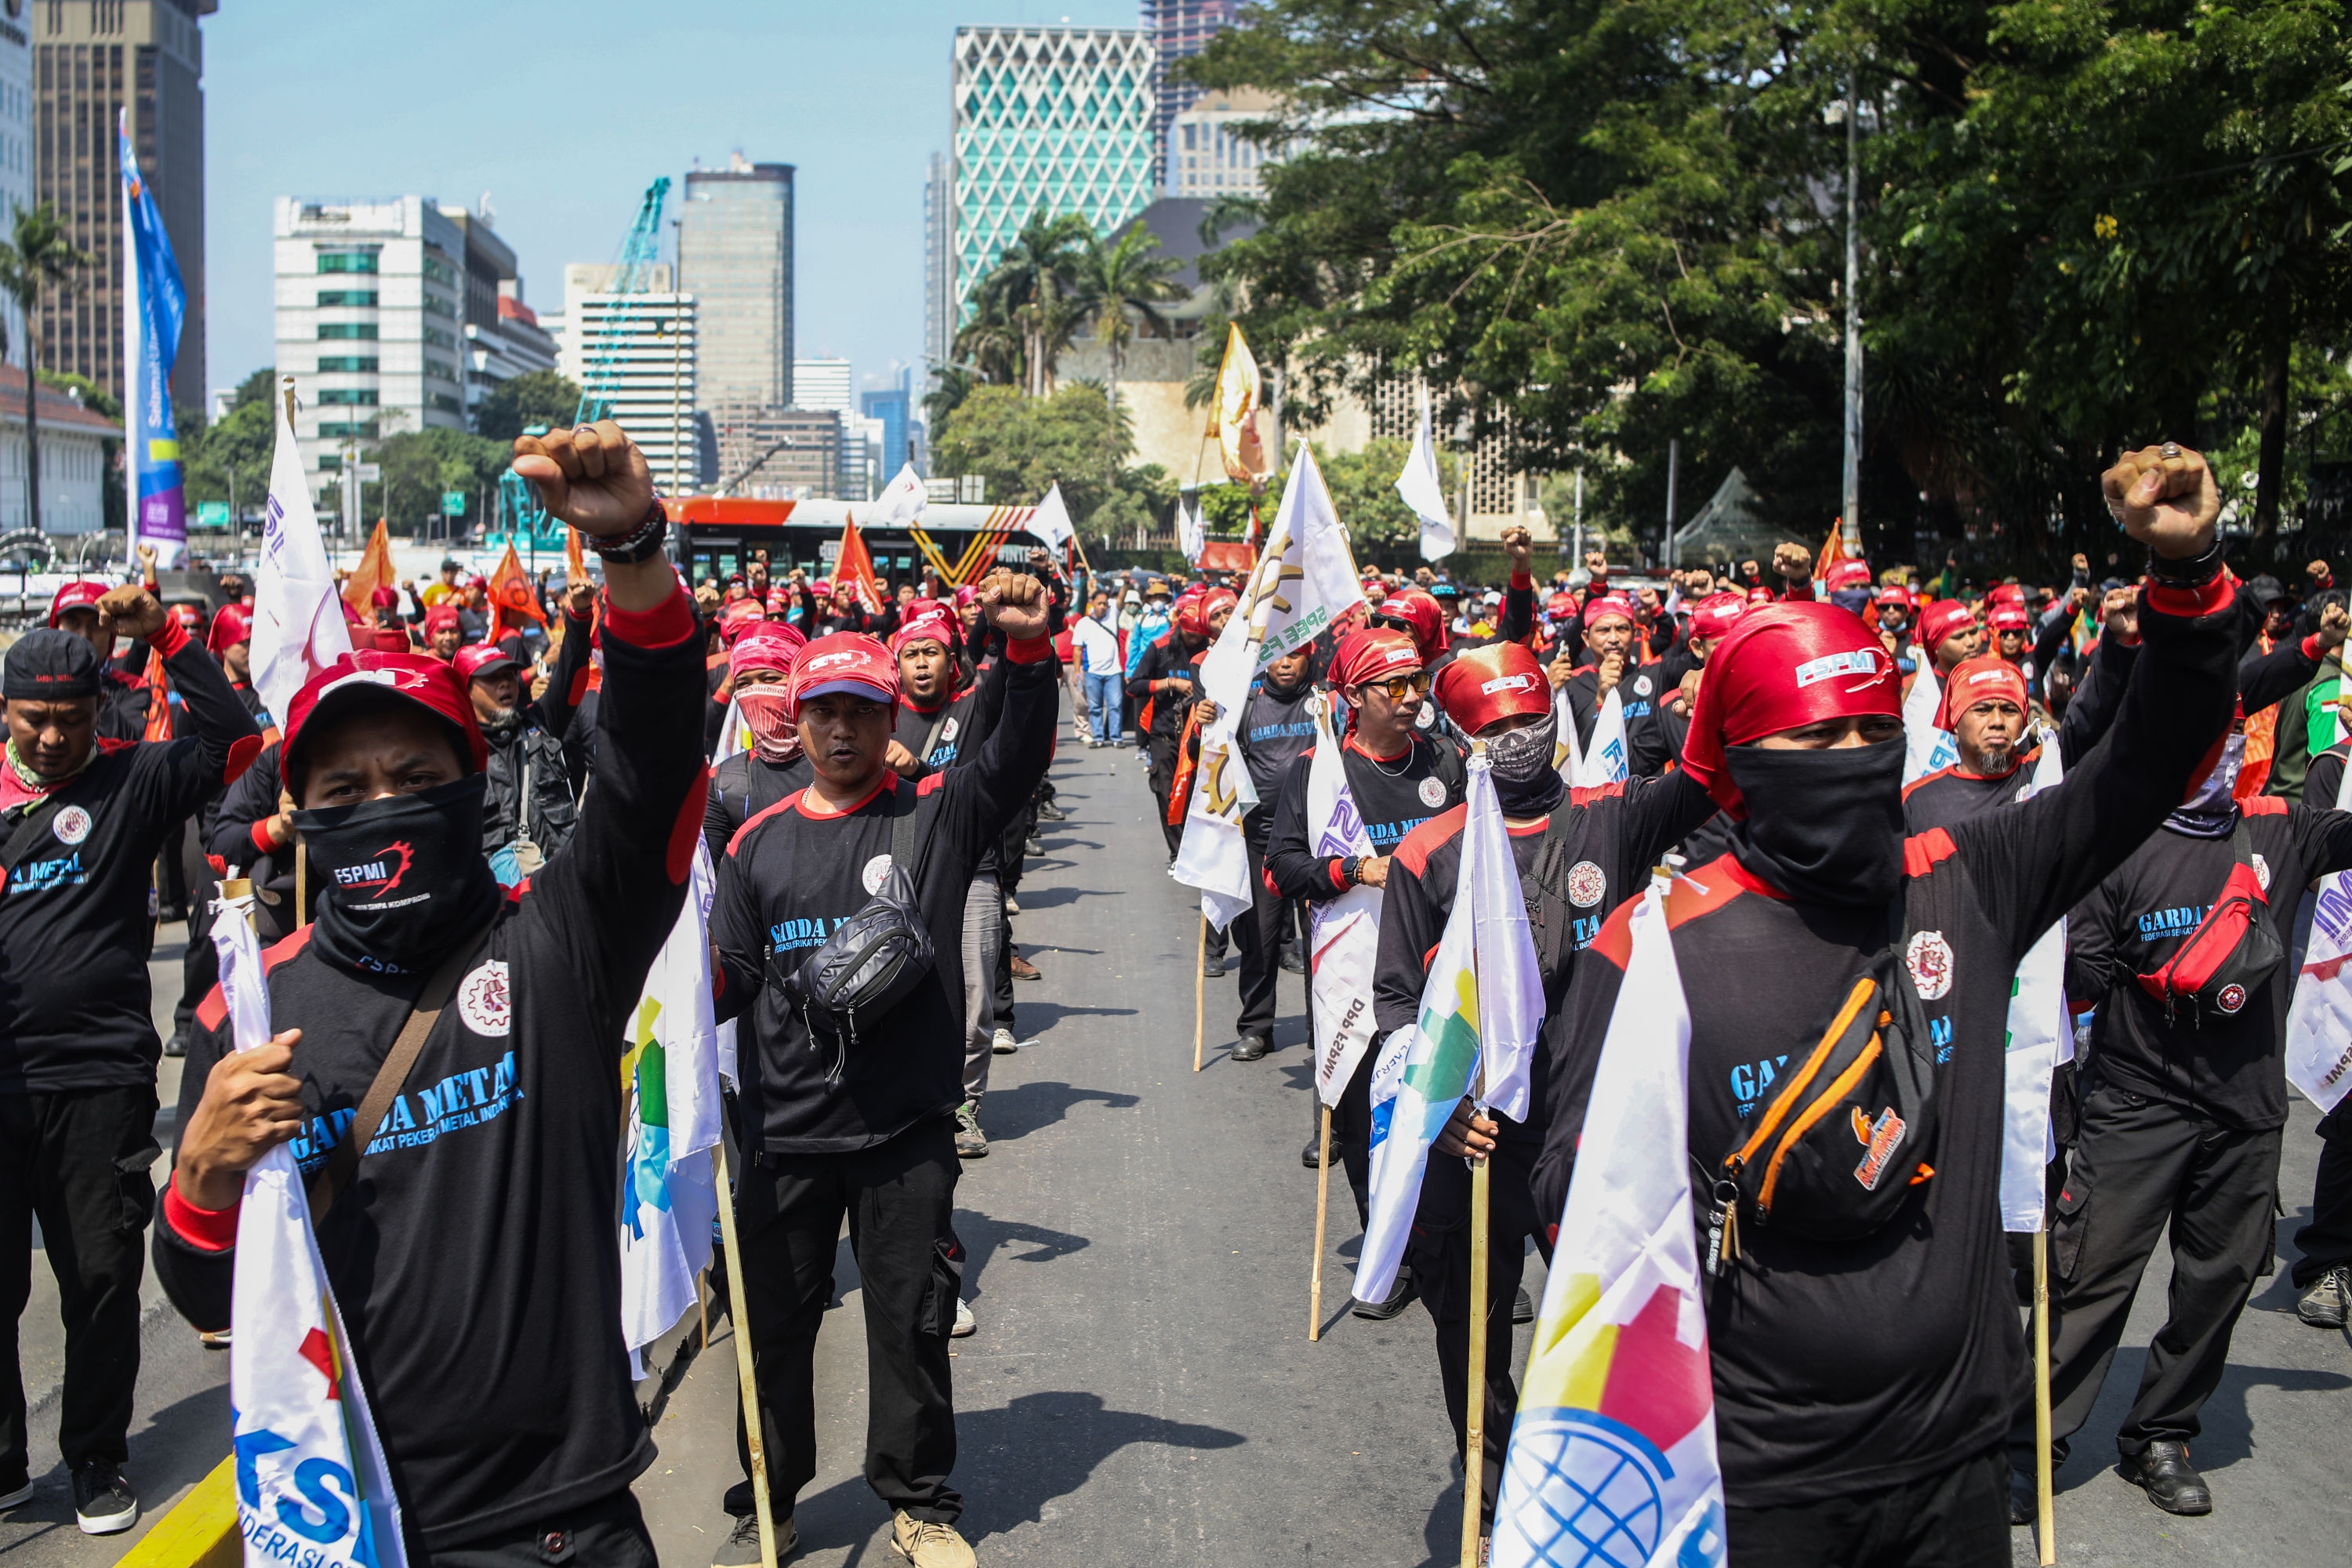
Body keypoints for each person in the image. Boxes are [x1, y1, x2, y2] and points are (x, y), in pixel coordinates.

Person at [1529, 445, 2238, 1566]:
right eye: (1814, 740)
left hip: (1955, 1458)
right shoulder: (1651, 950)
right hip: (1753, 1476)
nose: (1852, 761)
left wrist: (2189, 570)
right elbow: (1573, 1202)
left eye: (1874, 734)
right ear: (1742, 763)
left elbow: (2145, 764)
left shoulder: (1969, 878)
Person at [153, 419, 705, 1566]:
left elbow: (652, 768)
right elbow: (215, 1300)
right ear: (300, 818)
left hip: (572, 1518)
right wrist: (201, 1178)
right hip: (362, 1524)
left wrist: (638, 551)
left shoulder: (562, 942)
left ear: (471, 786)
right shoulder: (246, 1019)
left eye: (416, 776)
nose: (383, 802)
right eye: (345, 786)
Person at [710, 570, 1055, 1568]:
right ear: (799, 719)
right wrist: (674, 995)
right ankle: (770, 1497)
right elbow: (732, 973)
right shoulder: (756, 843)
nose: (843, 731)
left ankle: (917, 1500)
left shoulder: (934, 815)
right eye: (824, 713)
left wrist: (1027, 655)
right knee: (773, 1333)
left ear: (888, 714)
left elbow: (1016, 759)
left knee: (911, 1326)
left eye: (863, 711)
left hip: (904, 1132)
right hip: (783, 1137)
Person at [1375, 640, 1715, 1535]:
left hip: (1594, 1130)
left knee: (1605, 1330)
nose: (1517, 738)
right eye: (1494, 728)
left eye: (1529, 719)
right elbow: (1398, 1002)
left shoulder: (1617, 816)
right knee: (1473, 1335)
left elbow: (1712, 773)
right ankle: (1494, 1506)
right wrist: (1442, 1110)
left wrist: (1715, 669)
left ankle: (1593, 1500)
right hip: (1478, 1135)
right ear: (1460, 736)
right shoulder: (1427, 852)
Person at [2016, 699, 2352, 1519]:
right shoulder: (2120, 844)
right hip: (2137, 1103)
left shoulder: (2281, 829)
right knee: (2088, 1276)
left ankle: (2161, 1433)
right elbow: (2083, 972)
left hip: (2247, 1110)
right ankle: (2028, 1444)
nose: (2218, 754)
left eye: (2230, 739)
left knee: (2220, 1282)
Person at [0, 591, 260, 1534]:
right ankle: (3, 1457)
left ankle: (98, 1457)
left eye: (72, 717)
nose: (57, 735)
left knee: (101, 1281)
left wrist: (167, 635)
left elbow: (234, 741)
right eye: (37, 720)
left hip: (100, 1081)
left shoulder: (130, 779)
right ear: (7, 713)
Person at [1264, 626, 1468, 1315]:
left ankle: (1470, 1264)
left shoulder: (1446, 761)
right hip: (1355, 979)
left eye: (1419, 682)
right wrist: (1355, 869)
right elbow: (1283, 866)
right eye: (1396, 685)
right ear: (1355, 695)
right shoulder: (1317, 774)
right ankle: (1396, 1257)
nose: (1413, 698)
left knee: (1453, 1114)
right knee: (1364, 1128)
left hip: (1441, 973)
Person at [884, 607, 1015, 1156]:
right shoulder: (879, 714)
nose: (921, 664)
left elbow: (1014, 674)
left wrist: (1012, 623)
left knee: (976, 993)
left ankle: (963, 1107)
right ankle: (907, 1100)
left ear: (951, 660)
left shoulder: (974, 707)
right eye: (911, 654)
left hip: (973, 870)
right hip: (899, 874)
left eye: (930, 652)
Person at [1195, 642, 1318, 1063]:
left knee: (1320, 941)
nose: (1286, 663)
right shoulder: (1243, 704)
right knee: (1260, 941)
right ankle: (1255, 1028)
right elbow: (1210, 758)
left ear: (1310, 658)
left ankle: (1322, 1030)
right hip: (1260, 841)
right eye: (1280, 655)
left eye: (1297, 655)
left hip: (1319, 846)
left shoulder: (1325, 703)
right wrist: (1204, 724)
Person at [452, 593, 590, 886]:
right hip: (493, 901)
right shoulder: (452, 751)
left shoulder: (541, 722)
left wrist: (579, 613)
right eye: (492, 678)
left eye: (510, 675)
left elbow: (572, 671)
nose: (505, 684)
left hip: (560, 881)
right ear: (465, 690)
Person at [702, 622, 811, 861]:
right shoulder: (724, 783)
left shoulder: (843, 764)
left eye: (769, 678)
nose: (756, 691)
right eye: (743, 684)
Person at [1072, 590, 1123, 748]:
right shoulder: (1083, 623)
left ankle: (1116, 738)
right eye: (1099, 603)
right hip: (1092, 673)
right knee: (1095, 707)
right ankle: (1099, 737)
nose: (1103, 607)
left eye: (1105, 603)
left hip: (1113, 672)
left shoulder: (1112, 615)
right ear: (1092, 604)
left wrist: (1126, 584)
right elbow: (1077, 650)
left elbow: (1120, 599)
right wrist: (1077, 671)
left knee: (1115, 705)